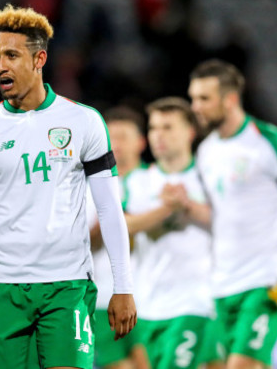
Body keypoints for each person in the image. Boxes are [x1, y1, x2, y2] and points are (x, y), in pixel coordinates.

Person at [0, 4, 136, 369]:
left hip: (67, 285)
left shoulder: (85, 122)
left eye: (11, 55)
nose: (1, 66)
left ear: (39, 58)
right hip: (1, 288)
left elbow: (109, 209)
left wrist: (123, 287)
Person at [188, 59, 277, 369]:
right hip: (221, 285)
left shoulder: (271, 143)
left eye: (204, 98)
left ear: (230, 99)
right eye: (193, 98)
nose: (195, 107)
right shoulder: (206, 151)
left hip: (267, 281)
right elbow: (221, 217)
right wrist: (186, 208)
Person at [122, 97, 215, 368]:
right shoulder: (137, 180)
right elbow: (120, 226)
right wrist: (165, 209)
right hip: (148, 306)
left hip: (194, 303)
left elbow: (231, 224)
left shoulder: (207, 176)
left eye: (168, 127)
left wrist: (187, 205)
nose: (158, 135)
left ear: (190, 132)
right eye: (153, 128)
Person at [87, 106, 150, 369]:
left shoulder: (155, 182)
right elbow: (84, 242)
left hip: (150, 297)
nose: (116, 144)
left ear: (141, 142)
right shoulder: (89, 188)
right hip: (104, 298)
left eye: (123, 136)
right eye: (111, 137)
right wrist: (104, 226)